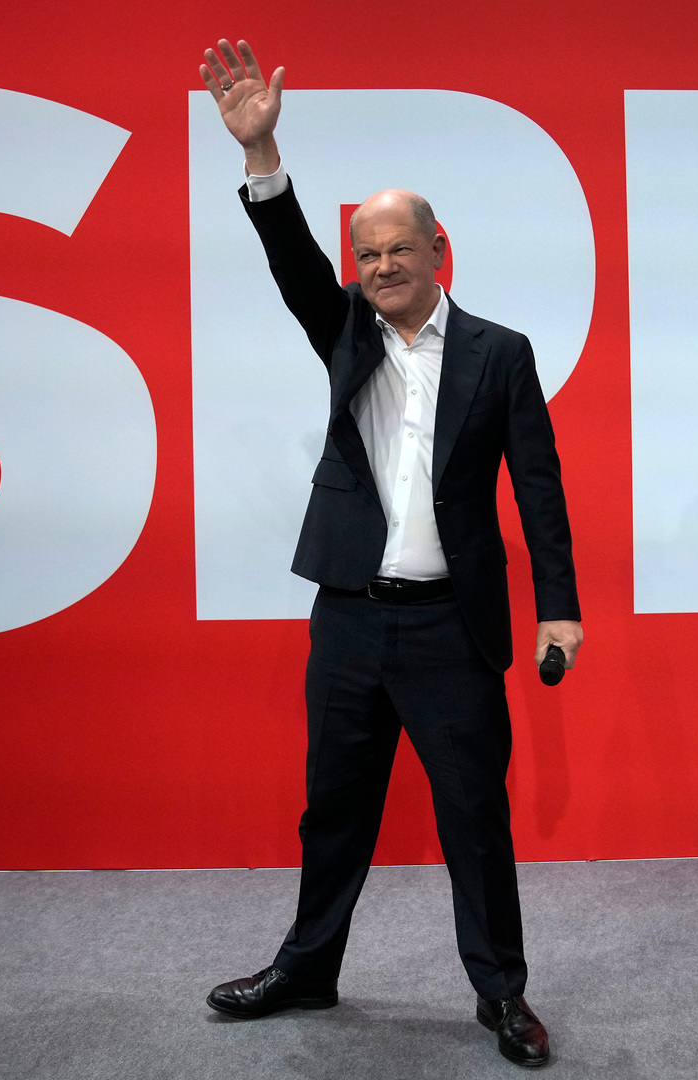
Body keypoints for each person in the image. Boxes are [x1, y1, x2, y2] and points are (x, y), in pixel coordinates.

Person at [198, 39, 582, 1069]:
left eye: (397, 251)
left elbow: (538, 487)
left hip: (453, 626)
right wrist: (261, 153)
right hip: (350, 620)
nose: (379, 269)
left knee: (474, 821)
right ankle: (306, 969)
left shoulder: (501, 354)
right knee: (332, 811)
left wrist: (559, 605)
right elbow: (293, 261)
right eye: (365, 255)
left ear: (438, 249)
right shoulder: (345, 333)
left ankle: (502, 995)